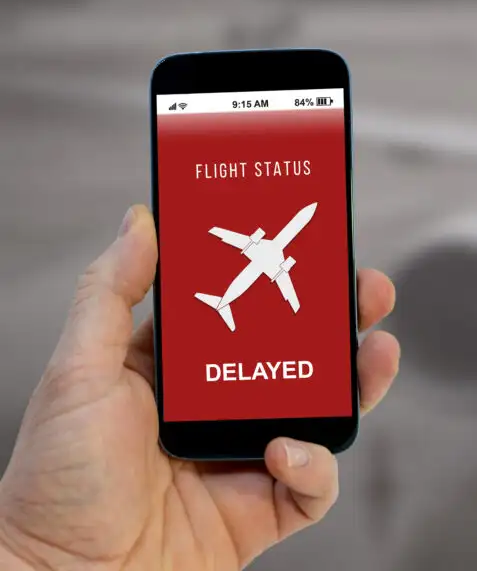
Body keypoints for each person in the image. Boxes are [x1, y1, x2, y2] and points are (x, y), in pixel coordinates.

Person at [0, 205, 401, 570]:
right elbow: (230, 238)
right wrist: (44, 550)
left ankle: (223, 306)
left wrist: (40, 553)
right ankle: (221, 305)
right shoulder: (263, 244)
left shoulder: (268, 250)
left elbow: (284, 284)